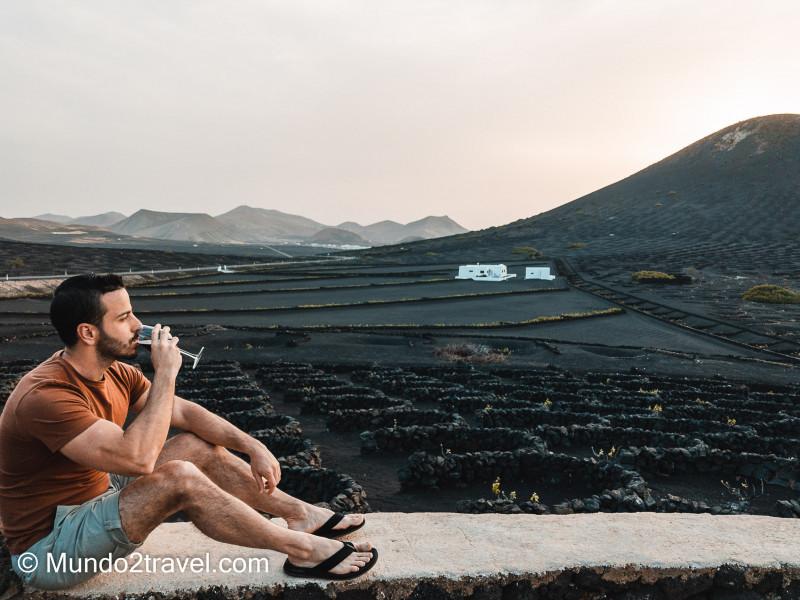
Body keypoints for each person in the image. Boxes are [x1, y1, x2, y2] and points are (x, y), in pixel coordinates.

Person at [0, 274, 377, 590]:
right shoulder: (47, 395)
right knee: (177, 478)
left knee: (194, 446)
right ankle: (302, 549)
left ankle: (299, 514)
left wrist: (252, 445)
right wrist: (165, 374)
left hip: (94, 498)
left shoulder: (113, 370)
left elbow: (184, 412)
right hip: (51, 547)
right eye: (125, 318)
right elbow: (138, 459)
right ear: (88, 332)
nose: (138, 326)